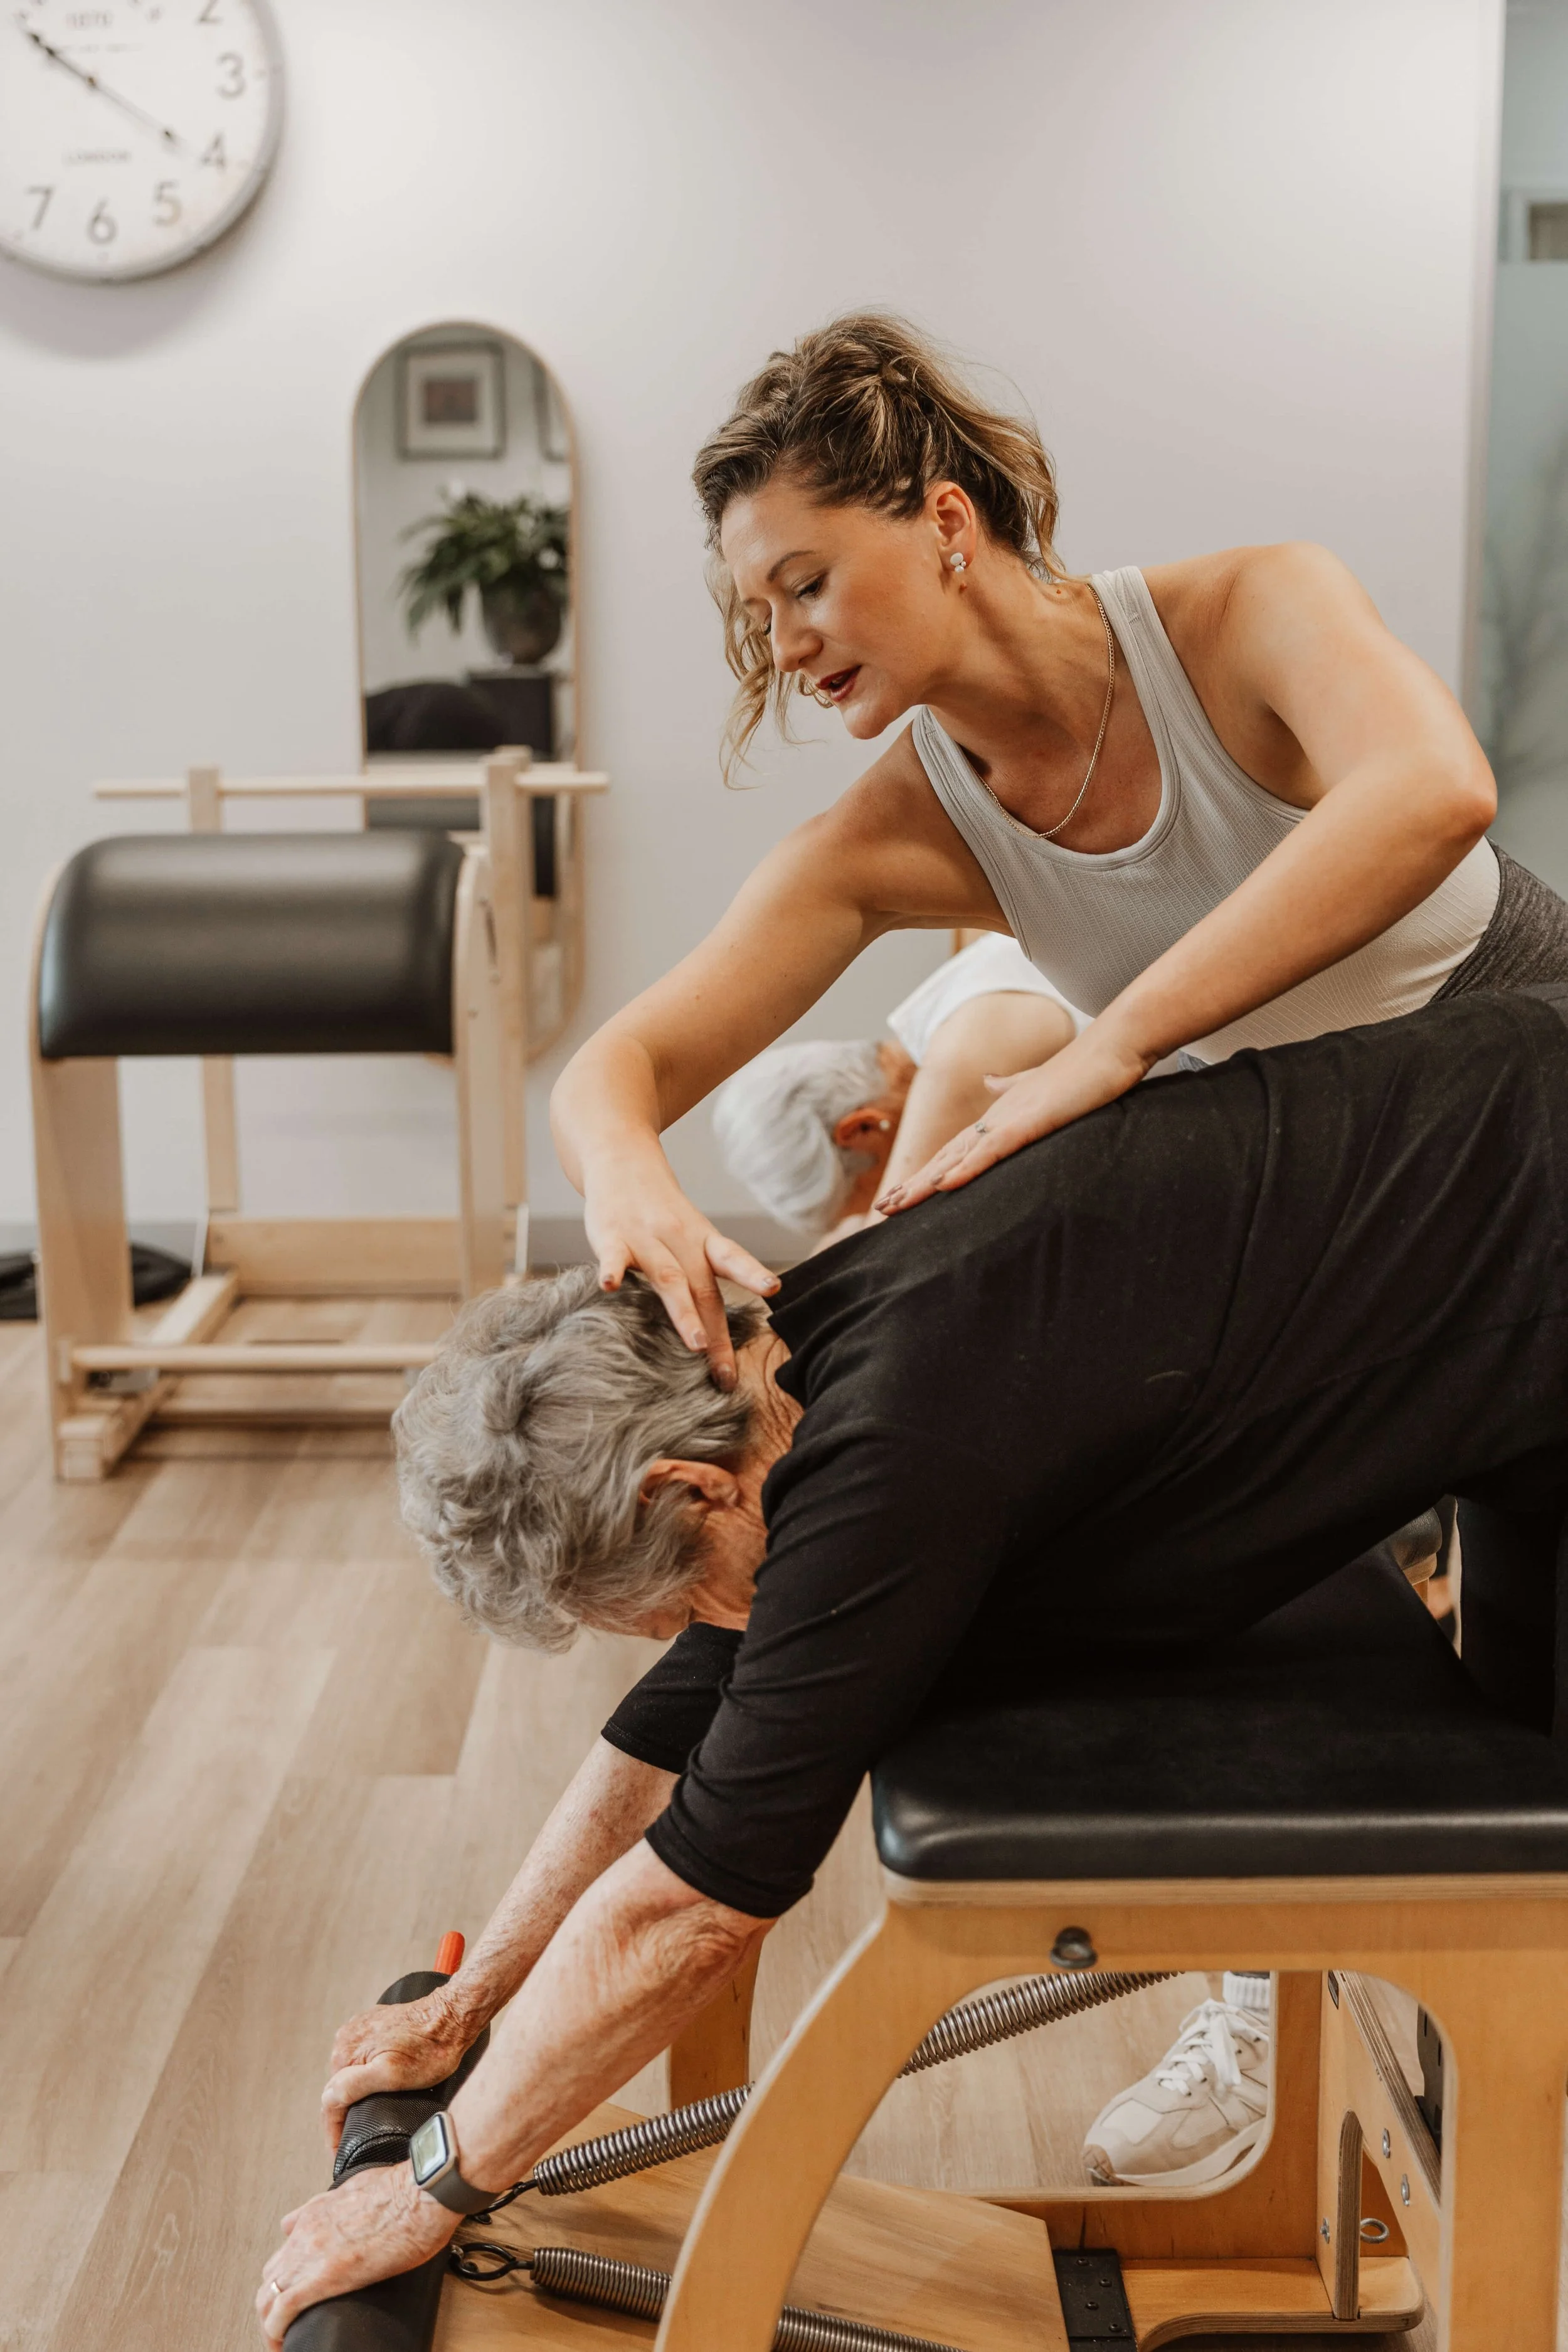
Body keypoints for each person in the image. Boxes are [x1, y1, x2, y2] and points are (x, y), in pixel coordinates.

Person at [259, 990, 1568, 2339]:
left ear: (690, 1486)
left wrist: (435, 2182)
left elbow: (694, 1907)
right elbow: (691, 1716)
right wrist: (484, 1994)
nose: (692, 1638)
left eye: (663, 1606)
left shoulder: (887, 1462)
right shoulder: (793, 1347)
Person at [549, 312, 1568, 1395]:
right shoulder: (895, 837)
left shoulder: (1246, 610)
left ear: (947, 521)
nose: (788, 647)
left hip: (1529, 1057)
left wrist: (1112, 1046)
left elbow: (1435, 790)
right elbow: (619, 1068)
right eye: (763, 612)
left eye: (807, 585)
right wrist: (624, 1175)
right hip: (1354, 1175)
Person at [712, 935, 1084, 1245]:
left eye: (861, 1199)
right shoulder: (938, 1017)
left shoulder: (959, 1061)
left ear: (862, 1129)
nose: (866, 1211)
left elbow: (886, 1243)